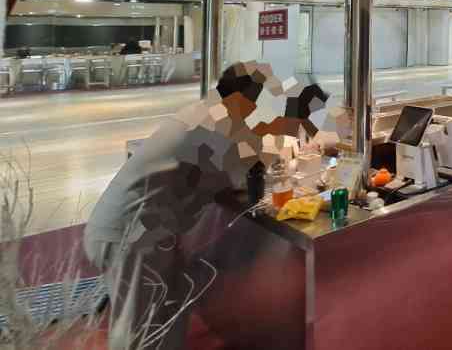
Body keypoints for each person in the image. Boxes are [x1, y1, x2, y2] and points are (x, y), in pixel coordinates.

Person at [84, 61, 327, 349]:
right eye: (253, 100)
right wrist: (290, 126)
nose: (254, 109)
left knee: (169, 308)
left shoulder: (204, 112)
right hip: (131, 237)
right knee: (141, 332)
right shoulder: (217, 125)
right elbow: (248, 173)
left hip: (133, 231)